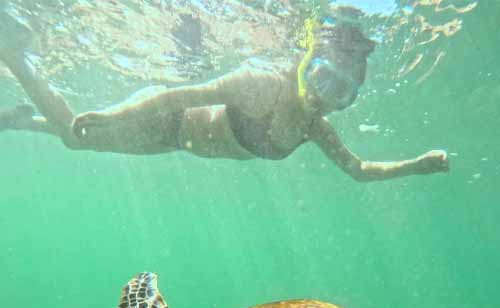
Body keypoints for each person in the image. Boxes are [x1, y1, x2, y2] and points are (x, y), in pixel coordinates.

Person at [0, 8, 448, 182]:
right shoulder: (261, 85)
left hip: (174, 143)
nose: (323, 96)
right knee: (76, 138)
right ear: (306, 61)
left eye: (341, 92)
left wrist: (418, 166)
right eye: (322, 77)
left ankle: (22, 117)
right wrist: (114, 113)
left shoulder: (315, 127)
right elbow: (176, 97)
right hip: (164, 121)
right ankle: (17, 54)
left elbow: (359, 169)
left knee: (80, 136)